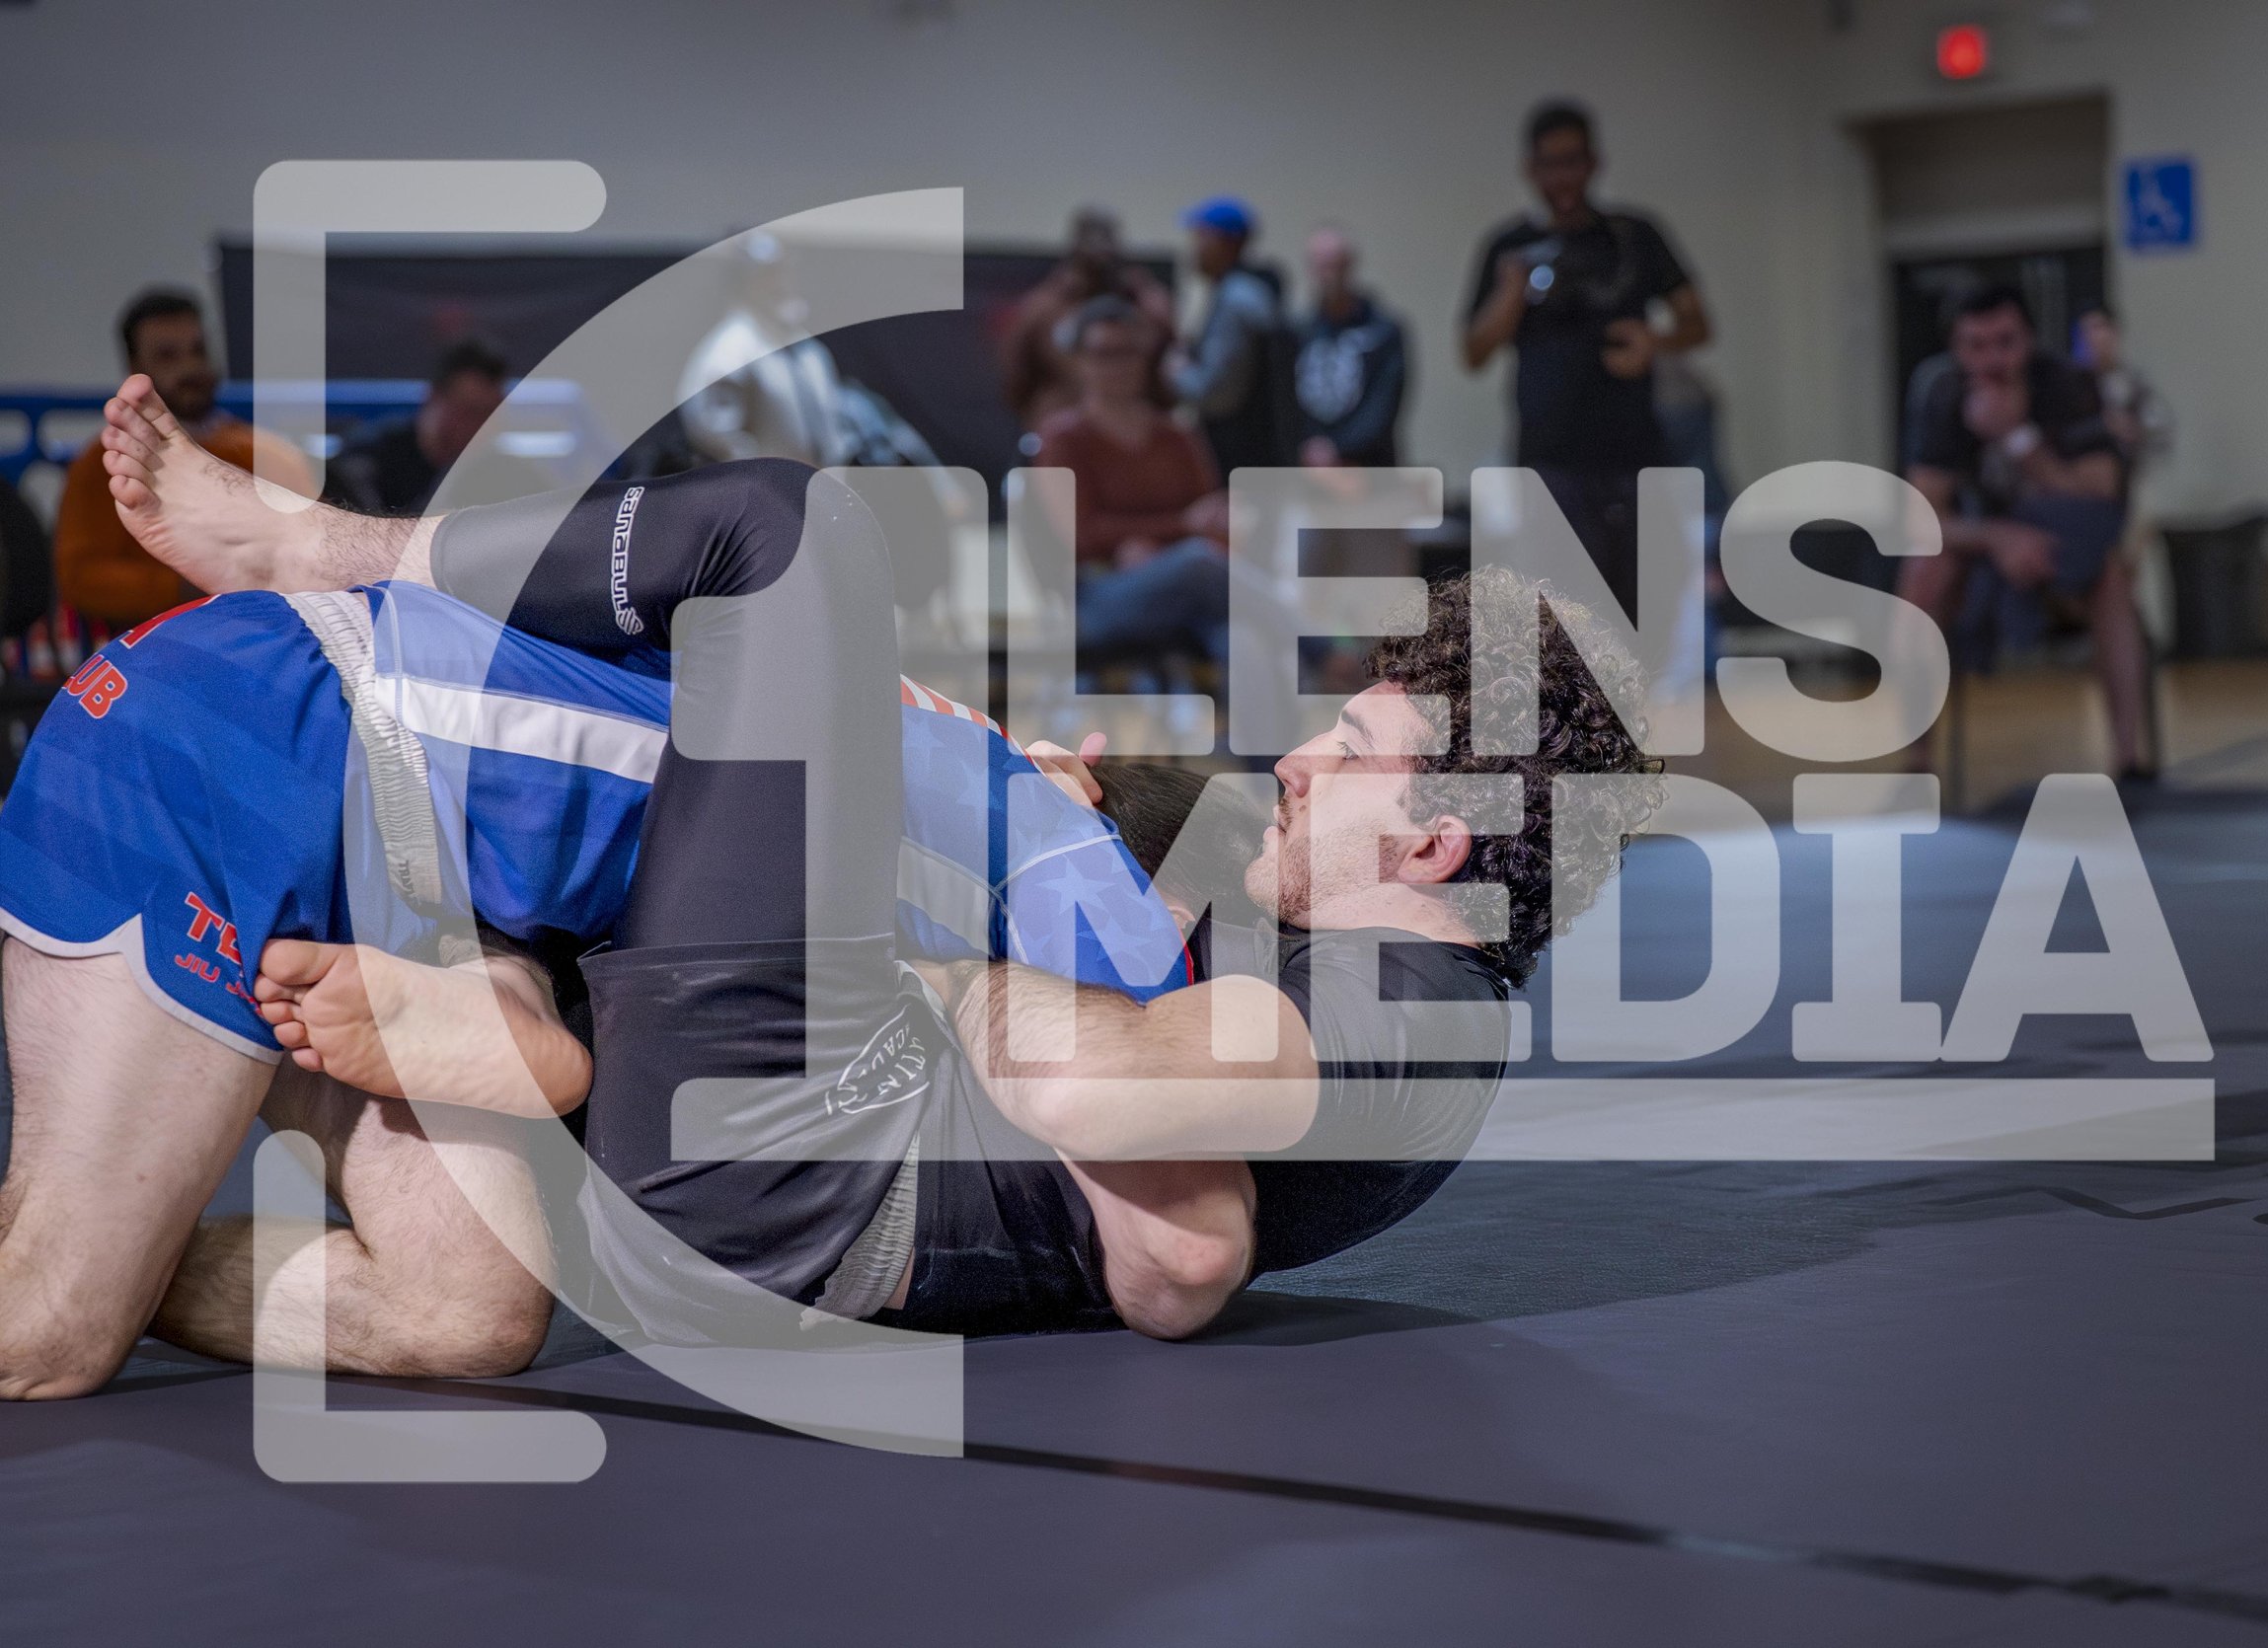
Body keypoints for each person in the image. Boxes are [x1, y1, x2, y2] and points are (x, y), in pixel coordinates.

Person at [0, 374, 1656, 1391]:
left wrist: (940, 954)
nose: (1294, 760)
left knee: (456, 1315)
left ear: (1433, 844)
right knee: (68, 1328)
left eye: (1345, 751)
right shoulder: (1220, 884)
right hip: (283, 729)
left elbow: (1182, 1228)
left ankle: (326, 581)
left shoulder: (1400, 1001)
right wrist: (1051, 819)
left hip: (491, 882)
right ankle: (329, 606)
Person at [1462, 100, 1710, 623]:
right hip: (1549, 458)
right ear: (1530, 169)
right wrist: (1511, 292)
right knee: (1562, 614)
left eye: (1573, 161)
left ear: (1594, 163)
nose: (1563, 177)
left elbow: (1698, 323)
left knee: (1641, 608)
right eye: (1550, 164)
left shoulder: (1633, 236)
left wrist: (1654, 342)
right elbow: (1474, 352)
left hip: (1632, 452)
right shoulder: (1510, 247)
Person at [1902, 285, 2149, 778]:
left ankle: (2129, 757)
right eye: (1976, 345)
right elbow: (1921, 517)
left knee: (2112, 575)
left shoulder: (2066, 385)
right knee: (1924, 571)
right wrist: (2000, 538)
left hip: (2061, 543)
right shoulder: (1941, 393)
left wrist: (2016, 438)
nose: (1992, 359)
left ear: (2030, 340)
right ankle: (1916, 760)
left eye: (2005, 342)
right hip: (1983, 548)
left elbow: (2101, 487)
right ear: (1955, 348)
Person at [52, 288, 312, 634]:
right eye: (167, 356)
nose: (190, 368)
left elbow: (311, 553)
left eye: (198, 351)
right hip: (156, 644)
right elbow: (81, 577)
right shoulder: (104, 463)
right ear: (135, 369)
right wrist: (192, 586)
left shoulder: (270, 454)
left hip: (267, 637)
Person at [1032, 295, 1234, 672]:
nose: (1117, 366)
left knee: (1243, 638)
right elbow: (1082, 534)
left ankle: (1278, 706)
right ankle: (1326, 650)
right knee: (1198, 561)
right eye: (1103, 354)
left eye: (1127, 352)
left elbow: (1209, 518)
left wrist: (1158, 553)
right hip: (1100, 592)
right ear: (1080, 361)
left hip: (1184, 587)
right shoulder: (1063, 439)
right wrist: (1179, 529)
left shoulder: (1177, 436)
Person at [1001, 207, 1174, 437]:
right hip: (1061, 425)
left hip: (1130, 431)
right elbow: (1018, 376)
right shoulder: (1046, 307)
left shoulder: (1145, 304)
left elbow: (1167, 373)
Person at [327, 338, 515, 514]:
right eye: (468, 410)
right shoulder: (367, 458)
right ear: (434, 396)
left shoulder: (500, 474)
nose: (478, 425)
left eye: (488, 413)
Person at [1170, 196, 1289, 476]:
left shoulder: (1236, 300)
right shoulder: (1246, 291)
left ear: (1227, 243)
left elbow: (1216, 394)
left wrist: (1176, 371)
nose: (1194, 247)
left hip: (1240, 455)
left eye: (1201, 237)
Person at [1293, 225, 1409, 470]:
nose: (1327, 275)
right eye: (1320, 266)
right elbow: (1289, 401)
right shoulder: (1299, 331)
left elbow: (1383, 404)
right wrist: (1307, 448)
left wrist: (1339, 449)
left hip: (1368, 465)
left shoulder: (1383, 332)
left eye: (1335, 265)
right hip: (1309, 467)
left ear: (1350, 266)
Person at [2072, 306, 2172, 477]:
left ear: (2113, 334)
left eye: (2100, 329)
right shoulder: (2070, 385)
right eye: (2086, 332)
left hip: (2126, 474)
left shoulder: (2133, 383)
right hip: (2079, 477)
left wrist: (2135, 429)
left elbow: (2159, 428)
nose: (2094, 338)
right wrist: (2105, 424)